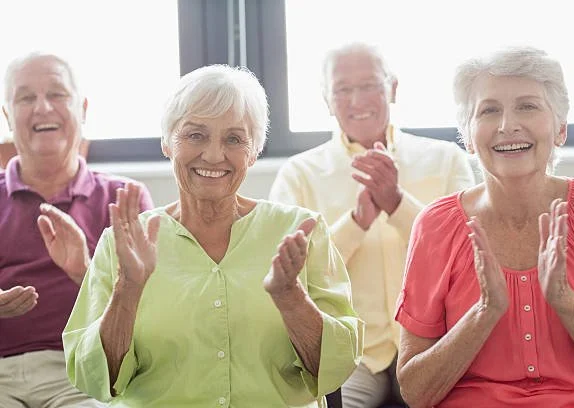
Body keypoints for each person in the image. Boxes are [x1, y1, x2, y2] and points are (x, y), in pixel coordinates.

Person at [63, 64, 363, 407]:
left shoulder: (300, 232)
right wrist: (128, 290)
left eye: (234, 139)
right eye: (195, 135)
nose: (214, 154)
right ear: (166, 142)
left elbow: (338, 368)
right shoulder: (124, 243)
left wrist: (290, 297)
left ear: (253, 152)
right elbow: (93, 378)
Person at [395, 46, 574, 408]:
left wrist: (566, 303)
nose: (506, 125)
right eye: (489, 110)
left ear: (560, 129)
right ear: (467, 136)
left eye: (528, 106)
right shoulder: (435, 227)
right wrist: (484, 312)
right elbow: (416, 393)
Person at [269, 42, 475, 408]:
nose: (356, 99)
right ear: (326, 99)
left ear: (392, 88)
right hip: (349, 352)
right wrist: (357, 222)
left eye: (368, 85)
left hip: (435, 342)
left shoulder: (446, 159)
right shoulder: (299, 174)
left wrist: (396, 203)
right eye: (342, 89)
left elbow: (468, 257)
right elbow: (289, 275)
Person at [0, 52, 153, 408]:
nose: (42, 108)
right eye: (26, 98)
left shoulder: (123, 198)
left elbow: (148, 315)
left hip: (82, 372)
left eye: (57, 94)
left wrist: (84, 271)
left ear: (82, 109)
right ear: (7, 115)